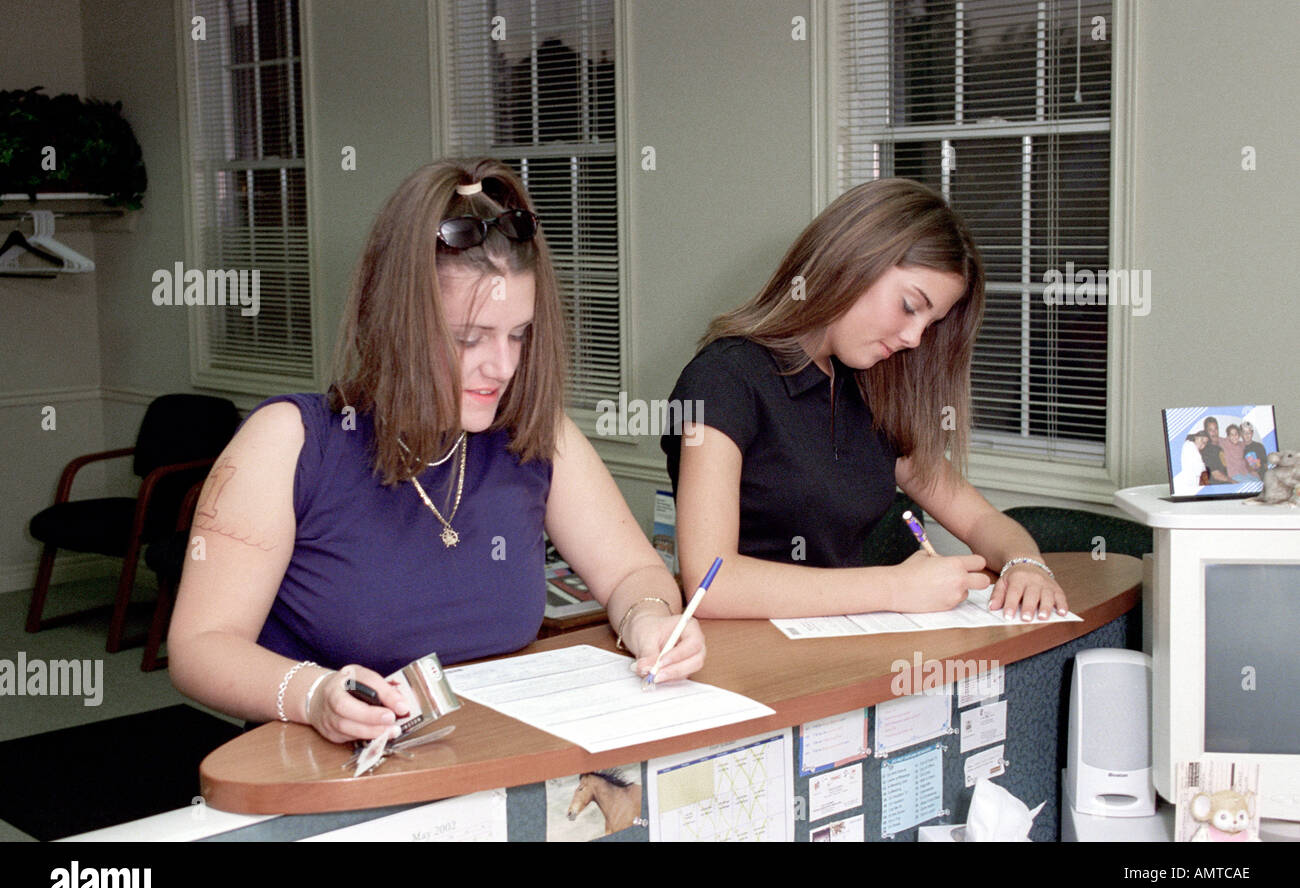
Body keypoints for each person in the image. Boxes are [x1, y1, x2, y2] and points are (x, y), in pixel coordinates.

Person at [169, 159, 705, 744]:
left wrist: (649, 617)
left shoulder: (534, 433)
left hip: (493, 765)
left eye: (519, 334)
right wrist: (313, 694)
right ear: (396, 326)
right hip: (327, 780)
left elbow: (633, 571)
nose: (502, 367)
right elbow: (201, 648)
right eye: (468, 339)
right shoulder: (290, 441)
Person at [661, 177, 1068, 622]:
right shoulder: (724, 378)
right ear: (850, 262)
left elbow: (979, 521)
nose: (915, 338)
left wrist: (1026, 564)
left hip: (840, 649)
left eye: (930, 324)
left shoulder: (871, 387)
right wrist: (894, 586)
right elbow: (712, 584)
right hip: (746, 659)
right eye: (911, 306)